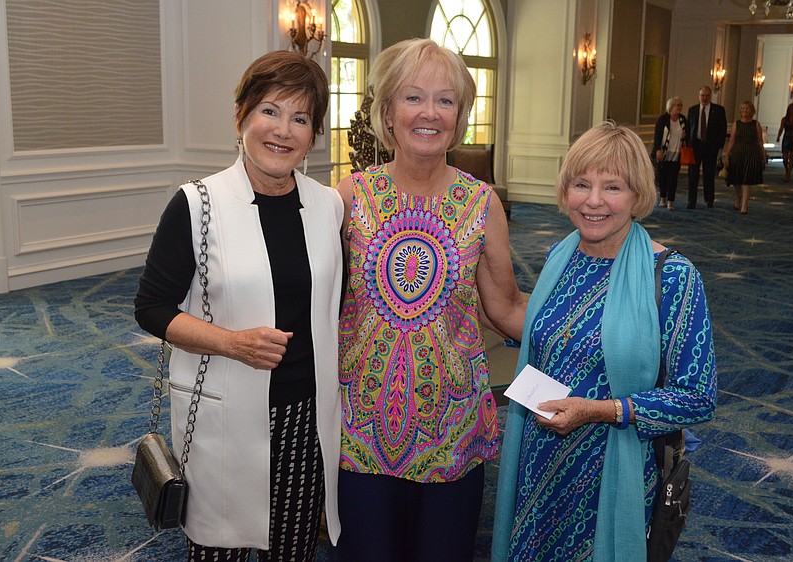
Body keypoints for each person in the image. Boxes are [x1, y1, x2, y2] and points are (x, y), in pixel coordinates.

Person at [134, 50, 343, 562]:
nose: (283, 130)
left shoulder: (328, 205)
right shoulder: (198, 204)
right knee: (218, 547)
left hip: (306, 414)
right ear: (242, 116)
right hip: (224, 414)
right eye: (270, 111)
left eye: (300, 119)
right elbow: (152, 307)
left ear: (312, 135)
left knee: (292, 546)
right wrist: (233, 343)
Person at [333, 38, 527, 562]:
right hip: (360, 428)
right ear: (387, 110)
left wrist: (594, 317)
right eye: (413, 97)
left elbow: (504, 308)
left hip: (452, 428)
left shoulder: (482, 203)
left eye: (446, 100)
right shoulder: (349, 197)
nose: (429, 113)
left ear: (460, 116)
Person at [492, 121, 717, 562]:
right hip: (540, 461)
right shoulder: (562, 255)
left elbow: (698, 396)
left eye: (612, 187)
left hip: (612, 470)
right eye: (582, 184)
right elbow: (552, 340)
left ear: (637, 195)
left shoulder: (673, 277)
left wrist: (601, 410)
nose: (593, 201)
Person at [686, 86, 727, 209]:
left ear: (710, 96)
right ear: (699, 96)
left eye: (707, 95)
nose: (704, 98)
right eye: (702, 95)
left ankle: (709, 199)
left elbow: (722, 129)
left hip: (710, 147)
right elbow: (689, 128)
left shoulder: (718, 110)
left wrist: (719, 147)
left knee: (709, 174)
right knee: (692, 175)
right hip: (695, 146)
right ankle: (691, 201)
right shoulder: (692, 110)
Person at [723, 100, 766, 215]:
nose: (745, 111)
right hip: (738, 153)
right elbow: (732, 141)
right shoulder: (736, 124)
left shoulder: (756, 124)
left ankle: (744, 205)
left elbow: (760, 141)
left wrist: (763, 153)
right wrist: (727, 154)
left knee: (747, 179)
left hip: (751, 154)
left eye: (747, 108)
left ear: (751, 110)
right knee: (736, 179)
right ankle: (737, 199)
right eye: (743, 108)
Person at [652, 96, 688, 211]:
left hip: (676, 153)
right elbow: (657, 135)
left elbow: (688, 134)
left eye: (681, 106)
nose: (679, 108)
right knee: (663, 177)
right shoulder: (663, 119)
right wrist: (657, 149)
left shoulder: (682, 120)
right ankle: (662, 197)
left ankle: (670, 200)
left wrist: (685, 136)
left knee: (673, 178)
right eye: (678, 105)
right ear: (671, 107)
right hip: (664, 152)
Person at [776, 102, 793, 182]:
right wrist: (778, 136)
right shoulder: (784, 119)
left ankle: (789, 174)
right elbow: (781, 128)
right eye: (791, 109)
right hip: (786, 138)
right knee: (785, 158)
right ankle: (787, 170)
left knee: (792, 157)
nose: (792, 111)